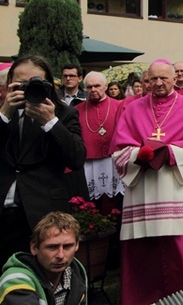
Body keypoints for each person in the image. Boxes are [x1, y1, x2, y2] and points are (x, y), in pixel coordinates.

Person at [110, 59, 183, 305]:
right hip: (143, 189)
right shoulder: (133, 109)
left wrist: (170, 153)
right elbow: (118, 153)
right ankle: (142, 297)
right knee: (144, 244)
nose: (158, 83)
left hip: (176, 187)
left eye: (164, 78)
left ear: (174, 79)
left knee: (180, 242)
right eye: (153, 79)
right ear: (146, 81)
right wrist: (139, 155)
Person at [0, 55, 86, 265]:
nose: (28, 89)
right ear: (10, 83)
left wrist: (50, 122)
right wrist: (3, 115)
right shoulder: (3, 113)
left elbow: (76, 158)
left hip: (42, 215)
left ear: (48, 84)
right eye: (21, 84)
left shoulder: (64, 114)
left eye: (34, 83)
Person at [0, 211, 87, 304]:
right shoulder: (16, 279)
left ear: (77, 245)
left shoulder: (77, 273)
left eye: (67, 246)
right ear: (34, 248)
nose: (60, 255)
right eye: (52, 247)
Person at [78, 72, 123, 214]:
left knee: (116, 200)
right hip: (90, 163)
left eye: (97, 86)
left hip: (113, 161)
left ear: (105, 86)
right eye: (89, 87)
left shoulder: (119, 106)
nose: (93, 90)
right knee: (91, 203)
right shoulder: (77, 110)